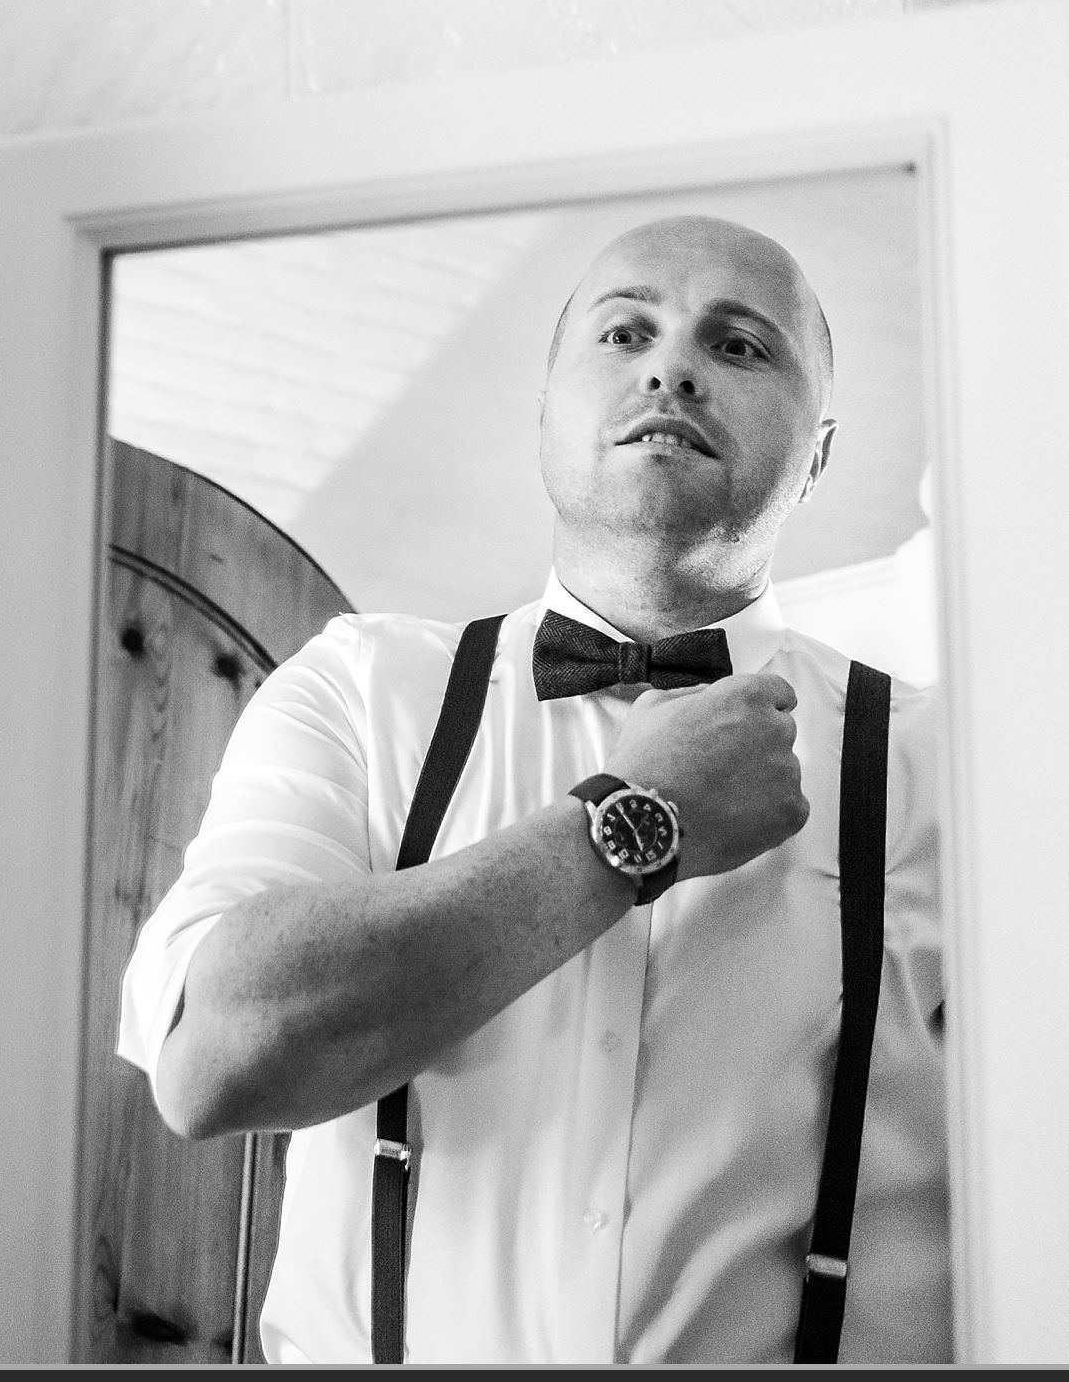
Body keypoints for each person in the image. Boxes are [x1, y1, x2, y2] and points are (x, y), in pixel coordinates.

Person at [114, 215, 950, 1364]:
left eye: (743, 346)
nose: (671, 366)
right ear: (545, 414)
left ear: (818, 454)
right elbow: (212, 1057)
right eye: (625, 331)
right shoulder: (362, 691)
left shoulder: (946, 768)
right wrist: (626, 827)